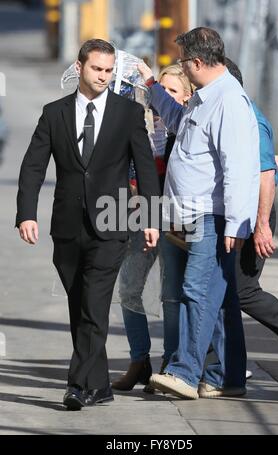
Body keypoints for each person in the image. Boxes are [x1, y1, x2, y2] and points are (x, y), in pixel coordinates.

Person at [15, 39, 160, 410]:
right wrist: (26, 213)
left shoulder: (127, 113)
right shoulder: (54, 113)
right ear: (79, 68)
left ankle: (76, 385)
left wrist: (150, 218)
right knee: (80, 304)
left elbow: (144, 167)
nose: (104, 77)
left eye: (110, 71)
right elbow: (33, 165)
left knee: (94, 304)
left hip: (112, 223)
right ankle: (100, 385)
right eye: (97, 69)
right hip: (66, 226)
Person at [141, 27, 260, 399]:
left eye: (182, 64)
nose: (182, 70)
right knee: (222, 299)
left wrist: (238, 222)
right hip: (198, 216)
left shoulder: (228, 102)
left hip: (215, 217)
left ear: (195, 62)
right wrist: (153, 88)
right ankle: (227, 376)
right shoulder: (205, 98)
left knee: (196, 290)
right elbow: (178, 122)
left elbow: (240, 165)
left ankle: (185, 372)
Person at [112, 65, 193, 392]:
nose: (163, 99)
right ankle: (138, 360)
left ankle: (170, 363)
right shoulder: (138, 124)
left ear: (185, 98)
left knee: (171, 294)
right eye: (160, 90)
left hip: (175, 215)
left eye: (172, 92)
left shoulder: (187, 127)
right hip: (140, 213)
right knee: (129, 286)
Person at [224, 58, 278, 347]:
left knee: (243, 291)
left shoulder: (249, 119)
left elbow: (265, 175)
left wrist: (262, 226)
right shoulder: (231, 115)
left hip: (256, 212)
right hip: (243, 213)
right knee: (227, 291)